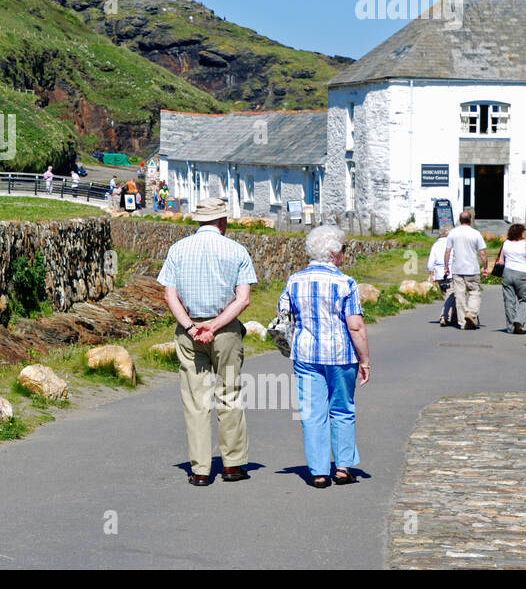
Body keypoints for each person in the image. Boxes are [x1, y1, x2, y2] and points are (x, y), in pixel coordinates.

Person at [156, 197, 258, 486]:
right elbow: (243, 299)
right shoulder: (237, 250)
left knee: (195, 400)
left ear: (199, 221)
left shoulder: (178, 249)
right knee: (229, 394)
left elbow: (169, 295)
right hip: (224, 331)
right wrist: (214, 325)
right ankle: (233, 465)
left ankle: (201, 469)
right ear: (222, 222)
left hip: (189, 331)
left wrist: (191, 327)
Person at [277, 224, 371, 488]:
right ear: (332, 254)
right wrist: (365, 360)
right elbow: (355, 325)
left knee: (312, 412)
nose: (343, 255)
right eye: (342, 250)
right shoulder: (346, 283)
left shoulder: (294, 280)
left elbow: (283, 317)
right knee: (342, 409)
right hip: (341, 355)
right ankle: (342, 468)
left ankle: (318, 472)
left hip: (306, 353)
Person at [444, 210, 488, 330]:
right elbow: (482, 253)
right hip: (472, 268)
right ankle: (472, 313)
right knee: (474, 292)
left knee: (460, 295)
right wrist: (485, 268)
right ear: (470, 220)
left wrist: (446, 267)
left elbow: (447, 251)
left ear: (460, 220)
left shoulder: (453, 233)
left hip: (457, 269)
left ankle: (463, 322)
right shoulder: (476, 233)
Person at [496, 223, 526, 334]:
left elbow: (501, 261)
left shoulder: (505, 244)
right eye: (523, 231)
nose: (524, 233)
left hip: (508, 273)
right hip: (521, 274)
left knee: (509, 301)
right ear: (519, 233)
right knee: (524, 299)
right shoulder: (525, 245)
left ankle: (511, 326)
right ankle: (519, 320)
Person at [427, 223, 457, 327]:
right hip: (450, 272)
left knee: (447, 295)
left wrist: (431, 273)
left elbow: (431, 261)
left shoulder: (435, 244)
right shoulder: (452, 244)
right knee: (451, 295)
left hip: (439, 274)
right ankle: (444, 316)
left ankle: (453, 316)